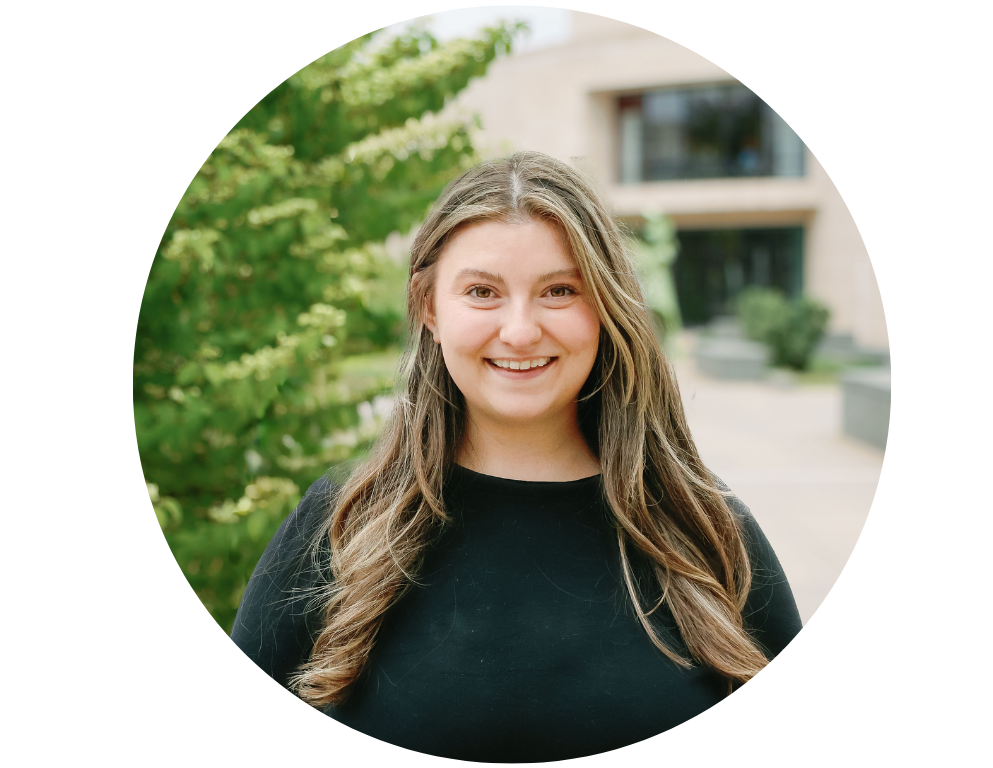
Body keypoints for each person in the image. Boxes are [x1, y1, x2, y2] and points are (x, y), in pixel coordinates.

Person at [231, 151, 802, 763]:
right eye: (482, 292)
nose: (521, 331)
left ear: (605, 306)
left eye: (560, 291)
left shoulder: (707, 526)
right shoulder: (340, 524)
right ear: (429, 308)